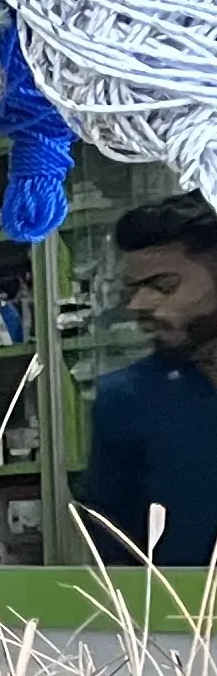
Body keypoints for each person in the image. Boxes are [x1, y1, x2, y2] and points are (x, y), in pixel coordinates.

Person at [75, 192, 217, 569]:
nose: (139, 305)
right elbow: (112, 558)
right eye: (133, 289)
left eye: (164, 286)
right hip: (176, 623)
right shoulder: (125, 400)